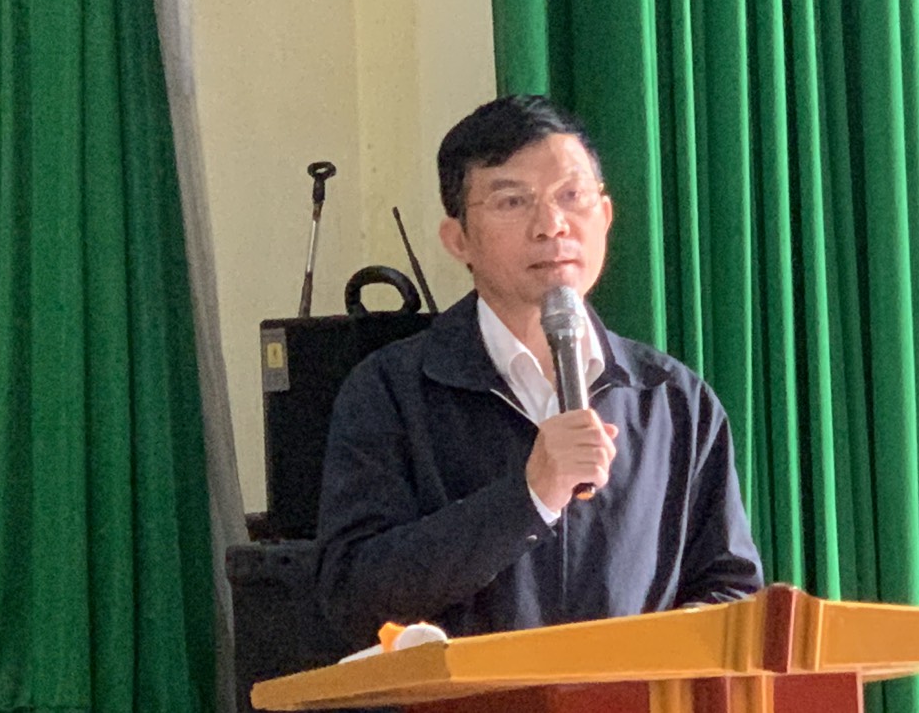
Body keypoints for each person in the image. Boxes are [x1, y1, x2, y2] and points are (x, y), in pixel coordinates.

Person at [315, 94, 763, 648]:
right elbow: (352, 594)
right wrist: (530, 498)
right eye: (512, 201)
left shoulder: (671, 399)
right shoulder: (392, 391)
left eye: (572, 197)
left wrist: (642, 667)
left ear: (605, 216)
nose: (552, 226)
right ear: (458, 240)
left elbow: (730, 590)